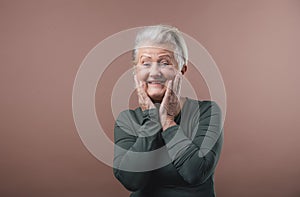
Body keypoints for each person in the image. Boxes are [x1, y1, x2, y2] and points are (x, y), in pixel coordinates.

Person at [113, 25, 223, 197]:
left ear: (182, 70)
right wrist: (152, 120)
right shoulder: (127, 120)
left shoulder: (207, 112)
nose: (154, 72)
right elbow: (131, 181)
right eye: (146, 63)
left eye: (165, 63)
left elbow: (196, 173)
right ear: (136, 71)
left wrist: (168, 121)